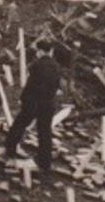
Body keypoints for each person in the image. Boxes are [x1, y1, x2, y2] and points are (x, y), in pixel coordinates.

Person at [4, 40, 65, 179]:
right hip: (48, 103)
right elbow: (56, 86)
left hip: (33, 101)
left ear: (41, 51)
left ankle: (11, 147)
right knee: (45, 132)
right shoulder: (56, 67)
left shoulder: (36, 65)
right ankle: (44, 162)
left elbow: (30, 85)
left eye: (38, 51)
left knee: (20, 123)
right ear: (51, 51)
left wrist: (23, 98)